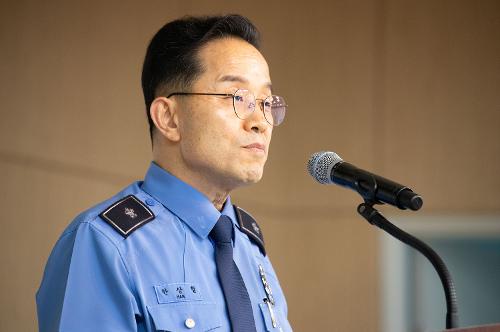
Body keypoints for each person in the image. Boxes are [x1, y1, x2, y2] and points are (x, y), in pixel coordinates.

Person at [36, 14, 292, 332]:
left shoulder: (248, 245)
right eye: (237, 98)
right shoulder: (105, 243)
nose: (260, 121)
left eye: (267, 102)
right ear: (169, 118)